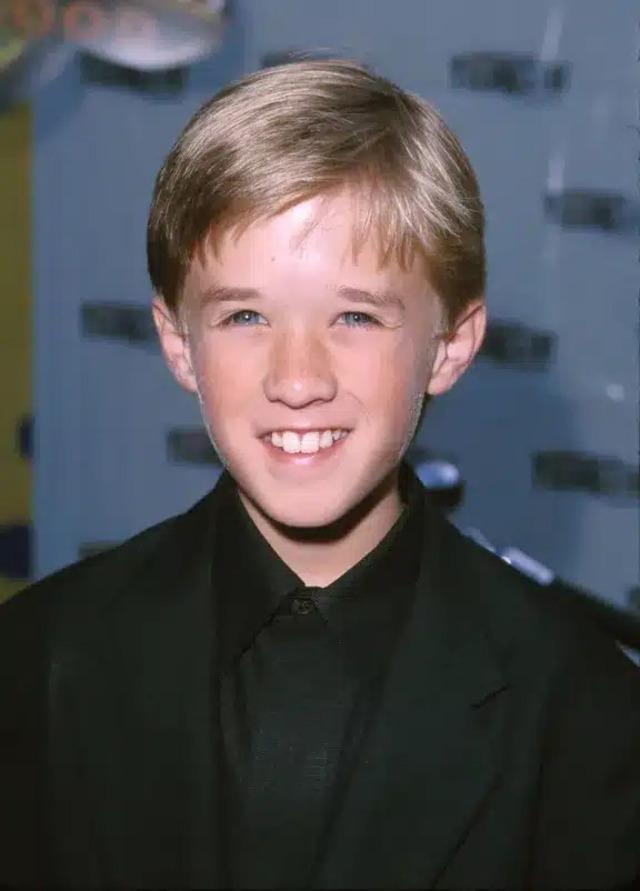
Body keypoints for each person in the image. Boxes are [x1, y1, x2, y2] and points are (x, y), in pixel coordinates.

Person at [1, 59, 639, 890]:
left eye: (354, 315)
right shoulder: (38, 660)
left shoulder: (586, 713)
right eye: (245, 315)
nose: (297, 379)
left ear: (450, 343)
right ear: (176, 342)